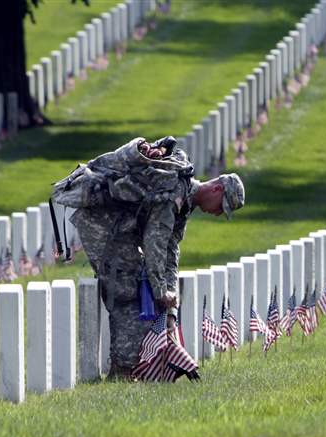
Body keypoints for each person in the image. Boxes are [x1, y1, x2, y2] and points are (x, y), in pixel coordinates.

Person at [63, 137, 245, 377]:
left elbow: (171, 250)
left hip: (118, 228)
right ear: (216, 188)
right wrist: (160, 291)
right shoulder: (173, 195)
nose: (218, 213)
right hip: (102, 224)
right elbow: (154, 243)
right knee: (126, 289)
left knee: (138, 288)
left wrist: (170, 303)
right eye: (221, 206)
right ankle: (123, 370)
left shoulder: (184, 202)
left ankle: (129, 367)